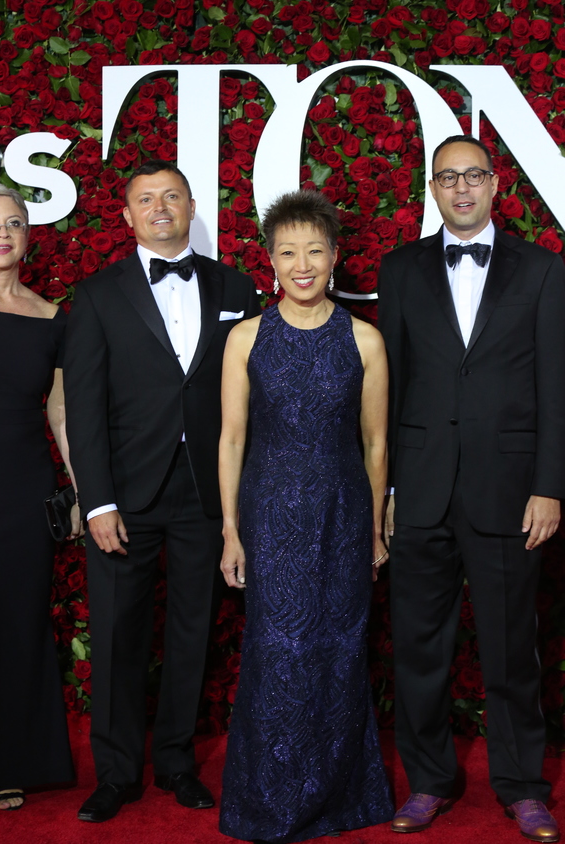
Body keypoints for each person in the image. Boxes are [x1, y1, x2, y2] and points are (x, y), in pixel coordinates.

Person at [378, 134, 565, 842]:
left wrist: (549, 486)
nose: (461, 188)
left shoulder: (544, 271)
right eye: (447, 178)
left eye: (473, 176)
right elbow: (387, 391)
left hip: (511, 492)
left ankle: (521, 786)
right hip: (419, 492)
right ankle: (429, 781)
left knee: (513, 651)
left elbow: (556, 388)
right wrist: (387, 489)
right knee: (420, 649)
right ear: (431, 188)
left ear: (495, 186)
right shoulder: (400, 270)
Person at [63, 159, 261, 823]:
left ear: (190, 205)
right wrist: (96, 500)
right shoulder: (95, 296)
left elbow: (255, 397)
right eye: (145, 199)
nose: (159, 207)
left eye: (171, 196)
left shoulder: (236, 286)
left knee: (191, 630)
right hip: (125, 492)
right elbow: (84, 409)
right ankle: (116, 773)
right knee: (118, 634)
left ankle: (176, 762)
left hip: (207, 489)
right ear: (126, 215)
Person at [218, 189, 394, 844]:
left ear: (335, 258)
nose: (302, 263)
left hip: (344, 515)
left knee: (341, 653)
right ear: (270, 261)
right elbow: (231, 439)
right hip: (268, 516)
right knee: (276, 652)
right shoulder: (246, 337)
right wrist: (232, 531)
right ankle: (269, 802)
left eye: (314, 251)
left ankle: (340, 798)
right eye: (288, 252)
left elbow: (375, 444)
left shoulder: (365, 340)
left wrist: (375, 528)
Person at [0, 184, 77, 811]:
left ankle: (8, 763)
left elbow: (61, 416)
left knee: (16, 624)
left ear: (29, 236)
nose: (2, 232)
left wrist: (87, 495)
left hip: (23, 490)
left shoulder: (51, 317)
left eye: (14, 222)